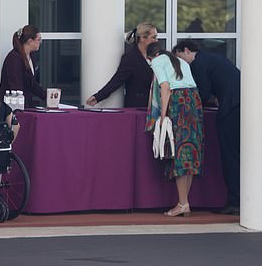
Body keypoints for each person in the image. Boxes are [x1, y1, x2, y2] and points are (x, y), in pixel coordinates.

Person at [173, 40, 241, 215]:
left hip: (231, 108)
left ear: (186, 50)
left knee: (229, 155)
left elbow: (202, 94)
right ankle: (240, 198)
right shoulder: (214, 58)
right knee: (237, 154)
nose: (180, 63)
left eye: (180, 57)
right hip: (239, 103)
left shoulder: (198, 64)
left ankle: (235, 201)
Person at [146, 42, 204, 217]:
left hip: (179, 101)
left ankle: (182, 204)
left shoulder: (157, 62)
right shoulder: (181, 62)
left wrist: (162, 116)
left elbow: (165, 87)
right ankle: (184, 202)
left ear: (151, 57)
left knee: (179, 151)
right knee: (191, 150)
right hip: (194, 100)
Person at [86, 22, 158, 108]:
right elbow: (117, 79)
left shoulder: (158, 55)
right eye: (154, 37)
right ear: (142, 38)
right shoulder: (130, 57)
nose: (156, 40)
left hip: (156, 105)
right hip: (138, 106)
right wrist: (98, 96)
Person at [0, 25, 46, 108]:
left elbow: (32, 84)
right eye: (38, 40)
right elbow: (15, 85)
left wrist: (47, 97)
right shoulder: (14, 58)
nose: (40, 42)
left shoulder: (31, 57)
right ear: (30, 41)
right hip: (12, 106)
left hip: (24, 104)